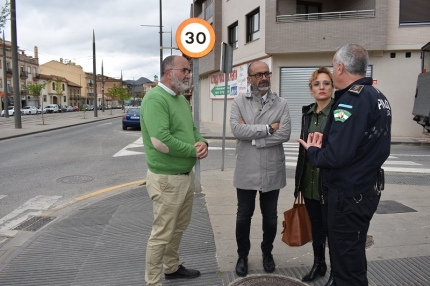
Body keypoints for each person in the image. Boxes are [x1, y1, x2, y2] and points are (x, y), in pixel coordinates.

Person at [298, 44, 391, 286]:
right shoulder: (378, 96)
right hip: (365, 189)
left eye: (332, 65)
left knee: (346, 265)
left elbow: (337, 156)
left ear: (340, 67)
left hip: (348, 196)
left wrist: (315, 152)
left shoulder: (352, 100)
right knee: (353, 257)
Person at [140, 55, 209, 286]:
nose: (189, 74)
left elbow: (191, 129)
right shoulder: (155, 99)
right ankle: (152, 281)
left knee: (177, 228)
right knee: (162, 233)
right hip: (167, 180)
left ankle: (171, 268)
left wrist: (202, 143)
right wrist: (193, 150)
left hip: (184, 177)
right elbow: (161, 141)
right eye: (185, 70)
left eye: (189, 70)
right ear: (169, 72)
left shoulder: (179, 98)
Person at [230, 60, 291, 277]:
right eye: (258, 75)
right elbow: (237, 130)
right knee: (243, 216)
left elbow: (284, 133)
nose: (263, 78)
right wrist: (267, 129)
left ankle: (267, 253)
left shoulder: (281, 103)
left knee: (270, 217)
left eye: (266, 73)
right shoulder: (238, 102)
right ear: (249, 79)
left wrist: (255, 138)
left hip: (272, 169)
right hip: (246, 168)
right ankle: (242, 255)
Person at [294, 67, 334, 283]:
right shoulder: (307, 113)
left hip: (329, 183)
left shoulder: (339, 113)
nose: (321, 87)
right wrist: (298, 182)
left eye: (326, 83)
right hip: (309, 181)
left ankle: (337, 272)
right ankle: (319, 263)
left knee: (333, 230)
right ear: (311, 89)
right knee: (316, 225)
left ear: (332, 87)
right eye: (317, 84)